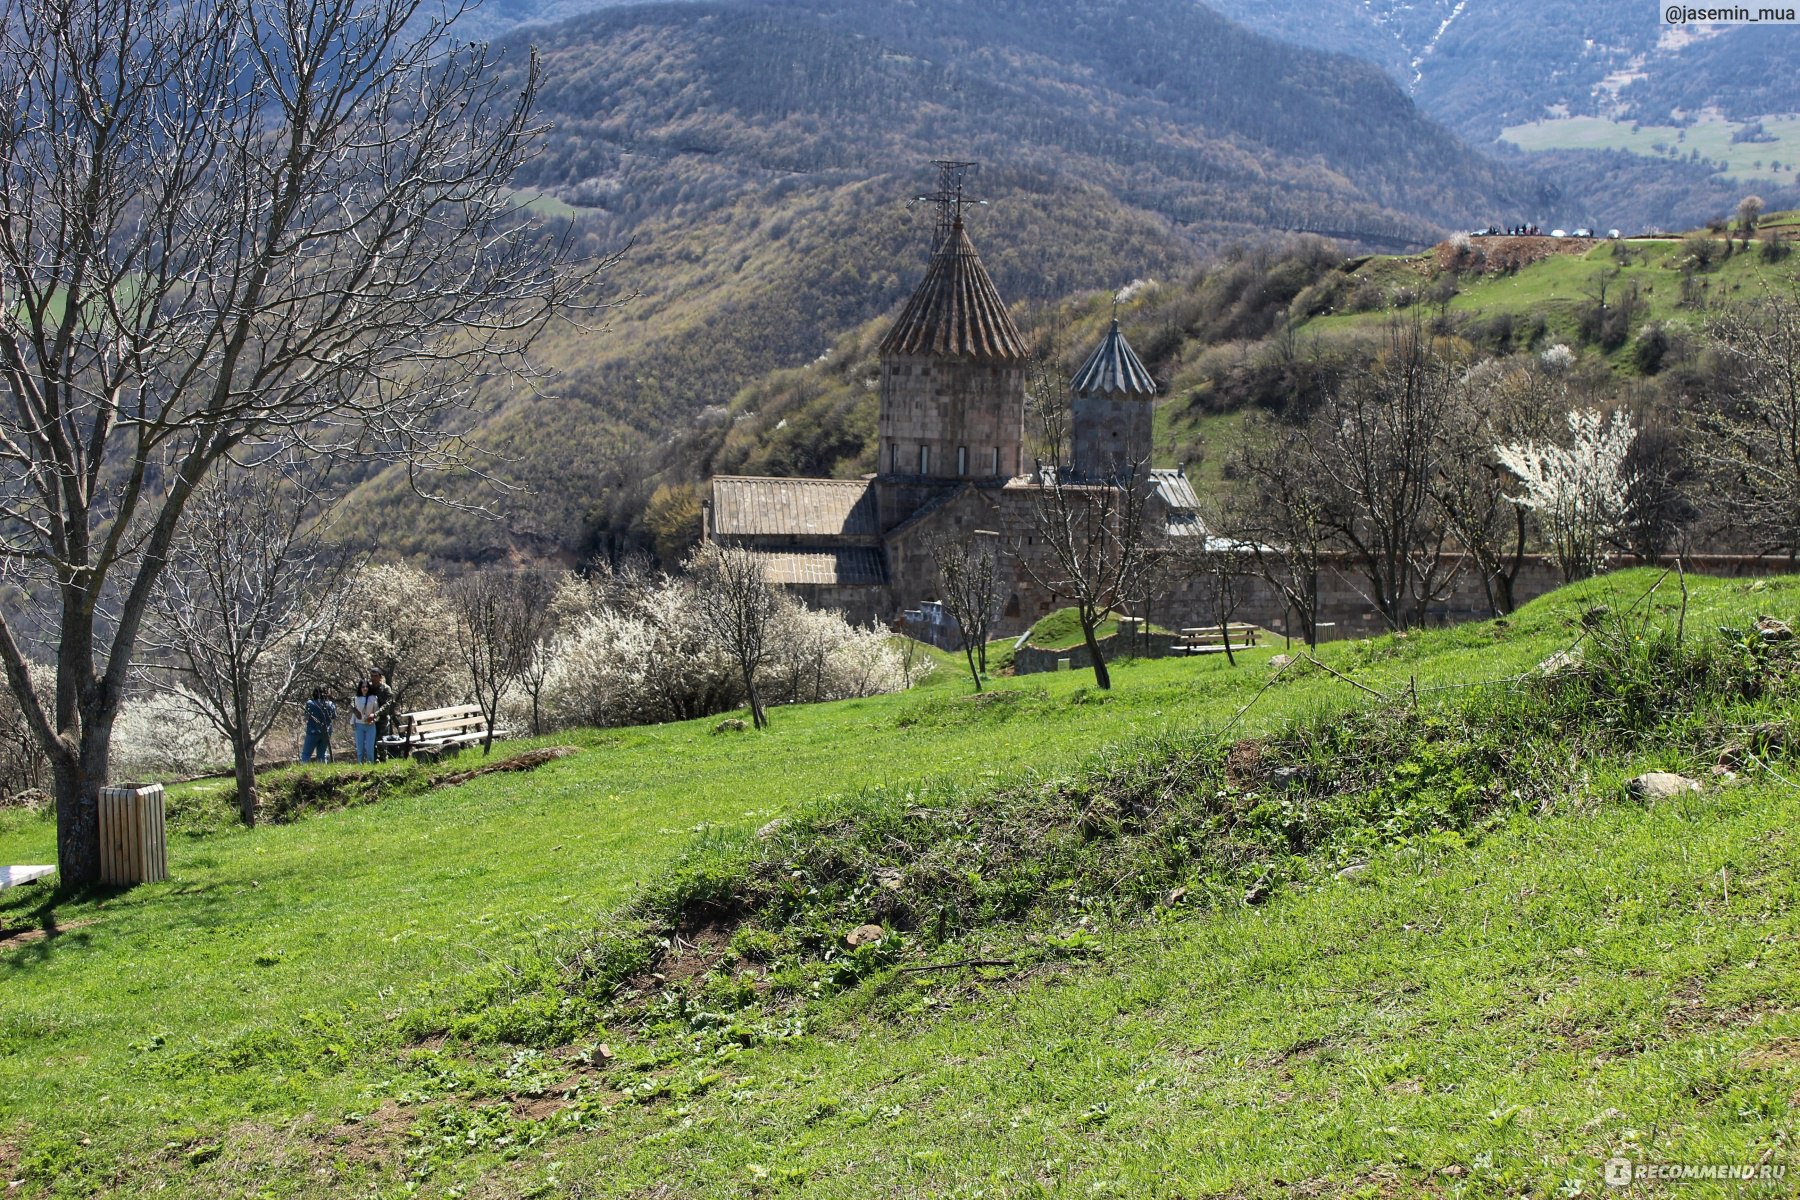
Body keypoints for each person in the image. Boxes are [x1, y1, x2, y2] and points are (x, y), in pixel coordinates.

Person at [301, 686, 337, 763]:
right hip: (326, 732)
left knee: (306, 754)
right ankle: (322, 770)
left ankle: (305, 771)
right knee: (322, 754)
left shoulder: (310, 703)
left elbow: (306, 717)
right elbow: (333, 717)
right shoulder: (330, 704)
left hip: (313, 732)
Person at [368, 668, 396, 758]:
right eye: (372, 676)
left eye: (376, 676)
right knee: (371, 741)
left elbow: (387, 704)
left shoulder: (386, 689)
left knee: (382, 742)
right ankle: (373, 760)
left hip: (382, 720)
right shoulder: (369, 688)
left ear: (380, 677)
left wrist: (376, 713)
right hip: (370, 720)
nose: (373, 678)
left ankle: (384, 760)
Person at [350, 680, 380, 764]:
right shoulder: (356, 699)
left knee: (370, 748)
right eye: (363, 687)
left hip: (370, 725)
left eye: (366, 687)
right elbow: (354, 713)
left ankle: (370, 764)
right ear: (360, 688)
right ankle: (360, 764)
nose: (365, 688)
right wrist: (352, 723)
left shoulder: (373, 698)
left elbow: (377, 712)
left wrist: (373, 716)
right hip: (359, 725)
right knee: (360, 748)